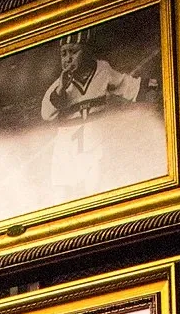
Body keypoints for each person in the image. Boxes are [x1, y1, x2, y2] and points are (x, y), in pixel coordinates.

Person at [39, 28, 145, 201]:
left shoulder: (102, 70)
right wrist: (61, 89)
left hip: (94, 144)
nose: (68, 59)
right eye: (64, 54)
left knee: (95, 192)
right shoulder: (61, 84)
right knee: (63, 197)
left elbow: (125, 84)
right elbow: (46, 113)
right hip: (65, 149)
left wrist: (150, 84)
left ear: (86, 51)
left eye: (73, 52)